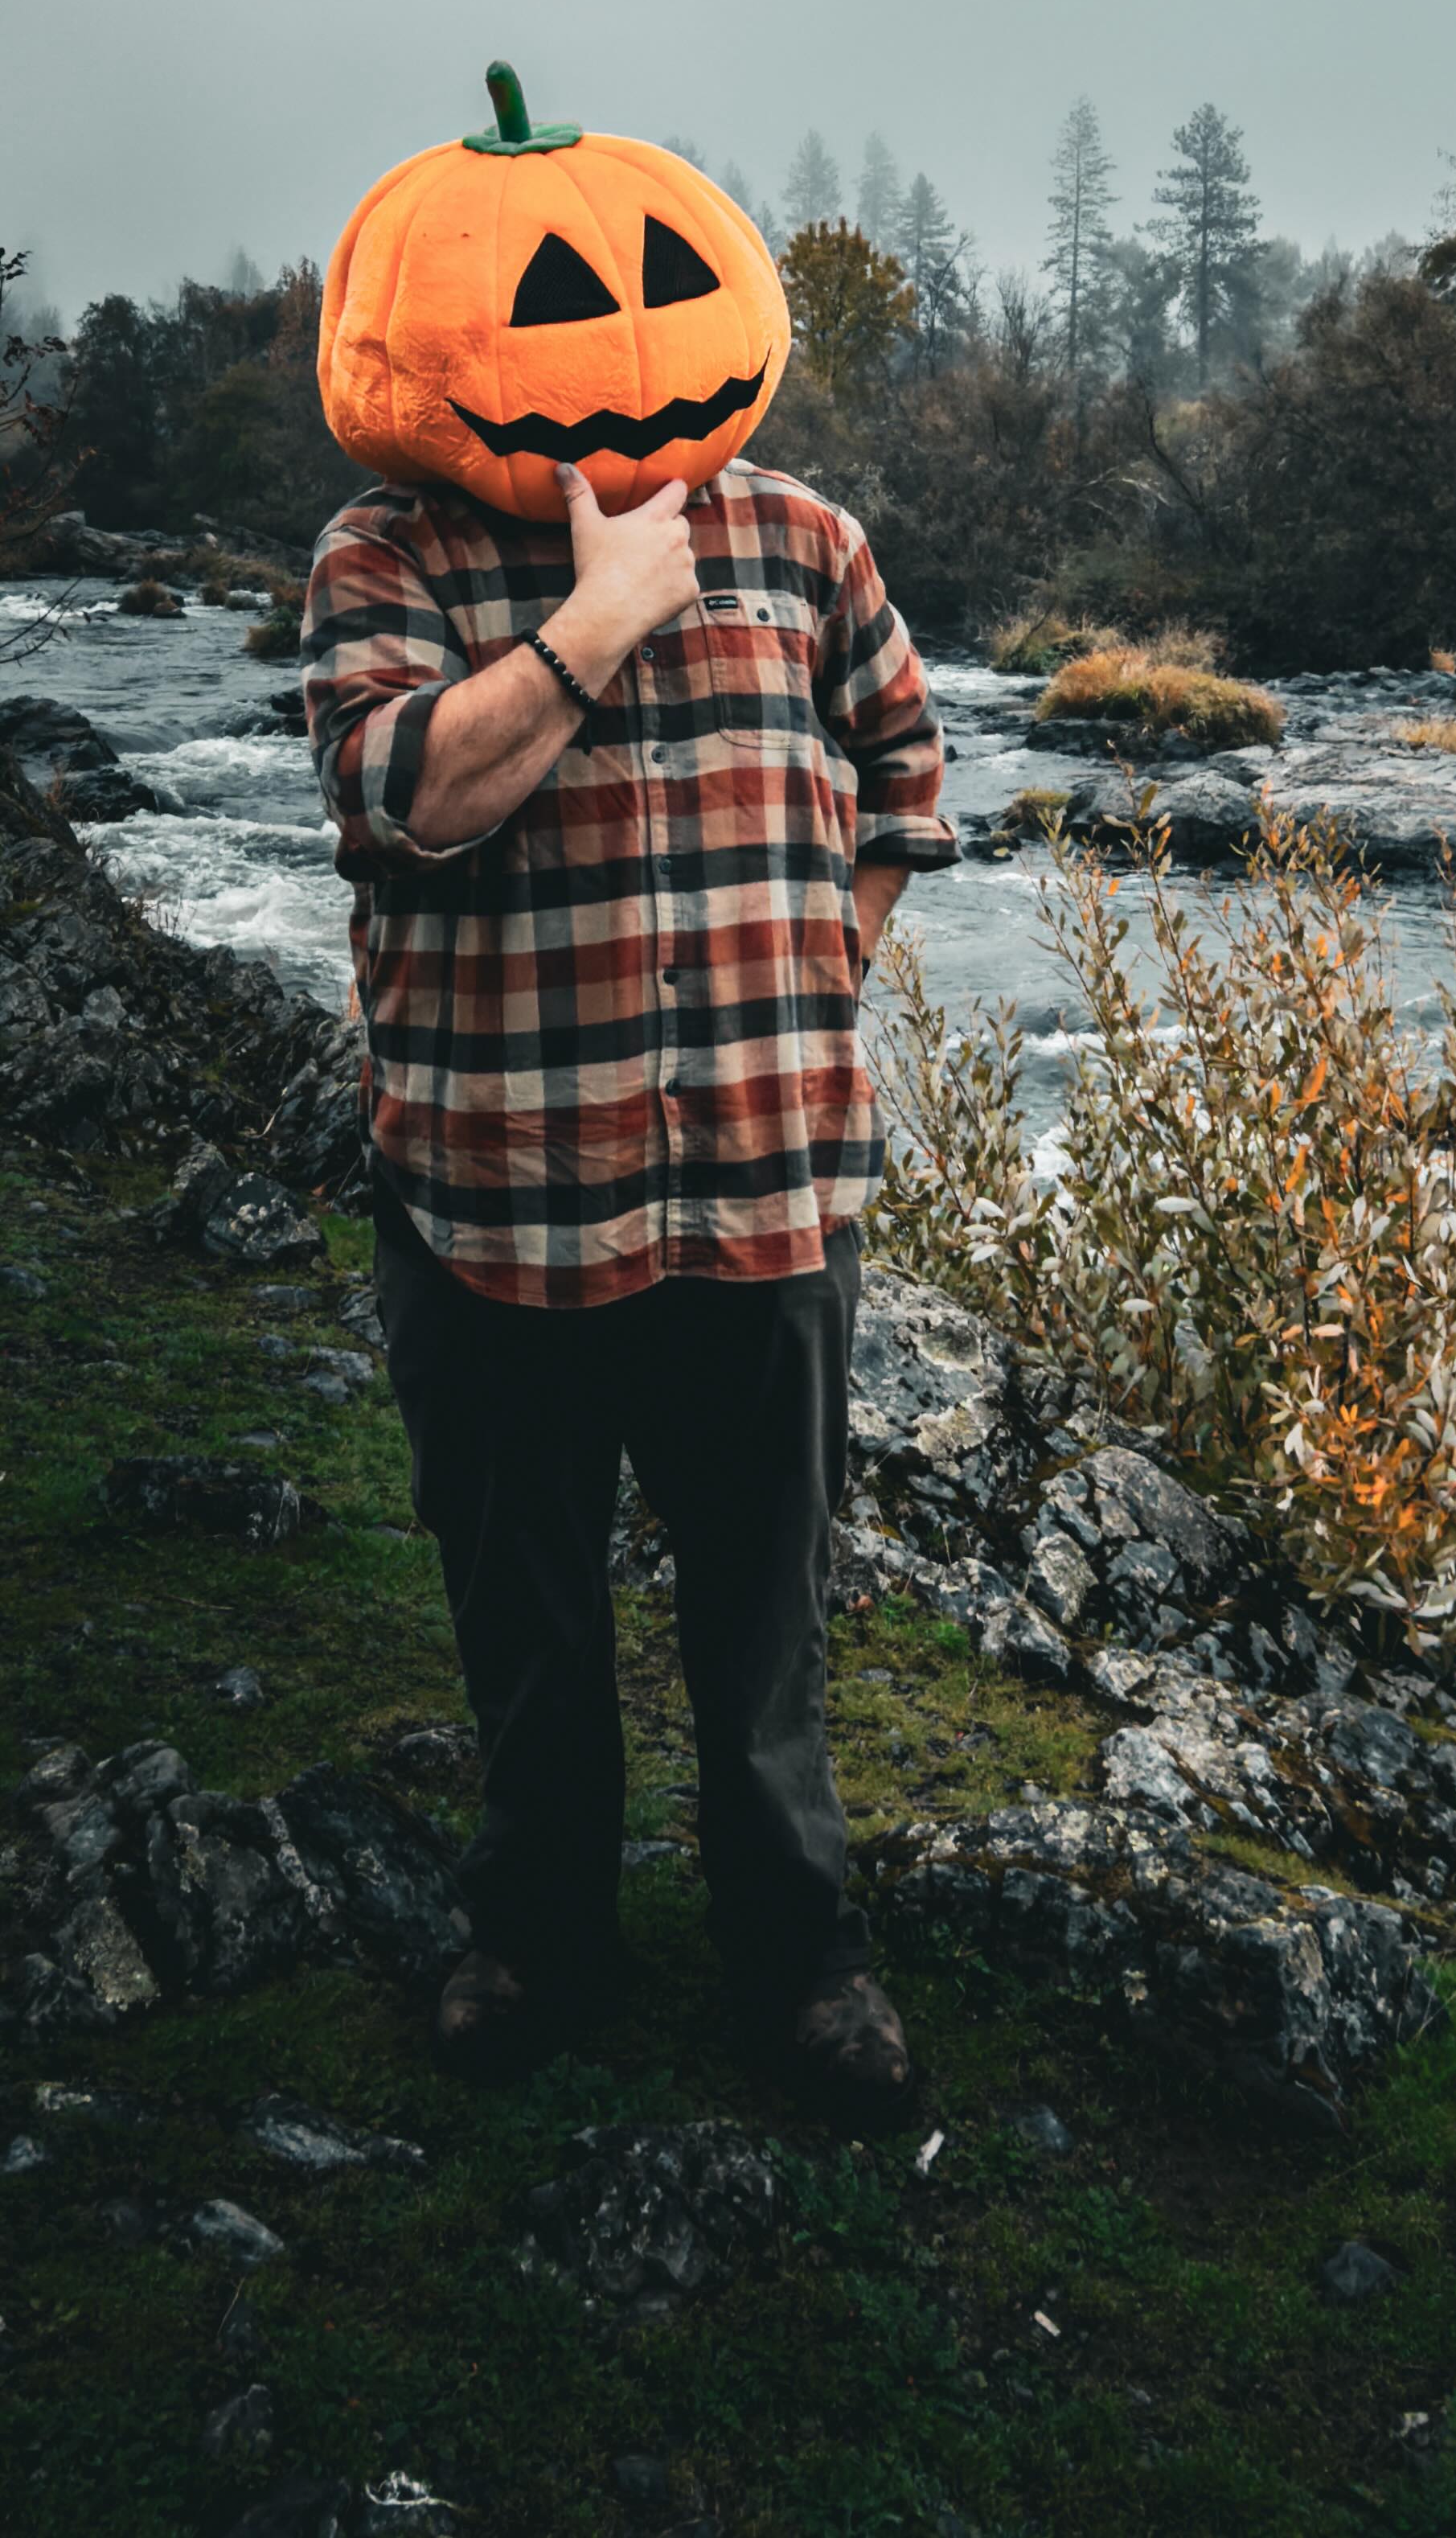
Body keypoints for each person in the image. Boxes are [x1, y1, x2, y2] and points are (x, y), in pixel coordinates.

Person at [303, 441, 954, 2121]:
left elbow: (903, 767)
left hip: (766, 1183)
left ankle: (800, 1954)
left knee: (764, 1607)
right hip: (494, 1196)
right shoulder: (392, 550)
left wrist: (838, 951)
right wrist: (597, 623)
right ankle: (536, 1935)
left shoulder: (803, 534)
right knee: (523, 1603)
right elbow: (397, 800)